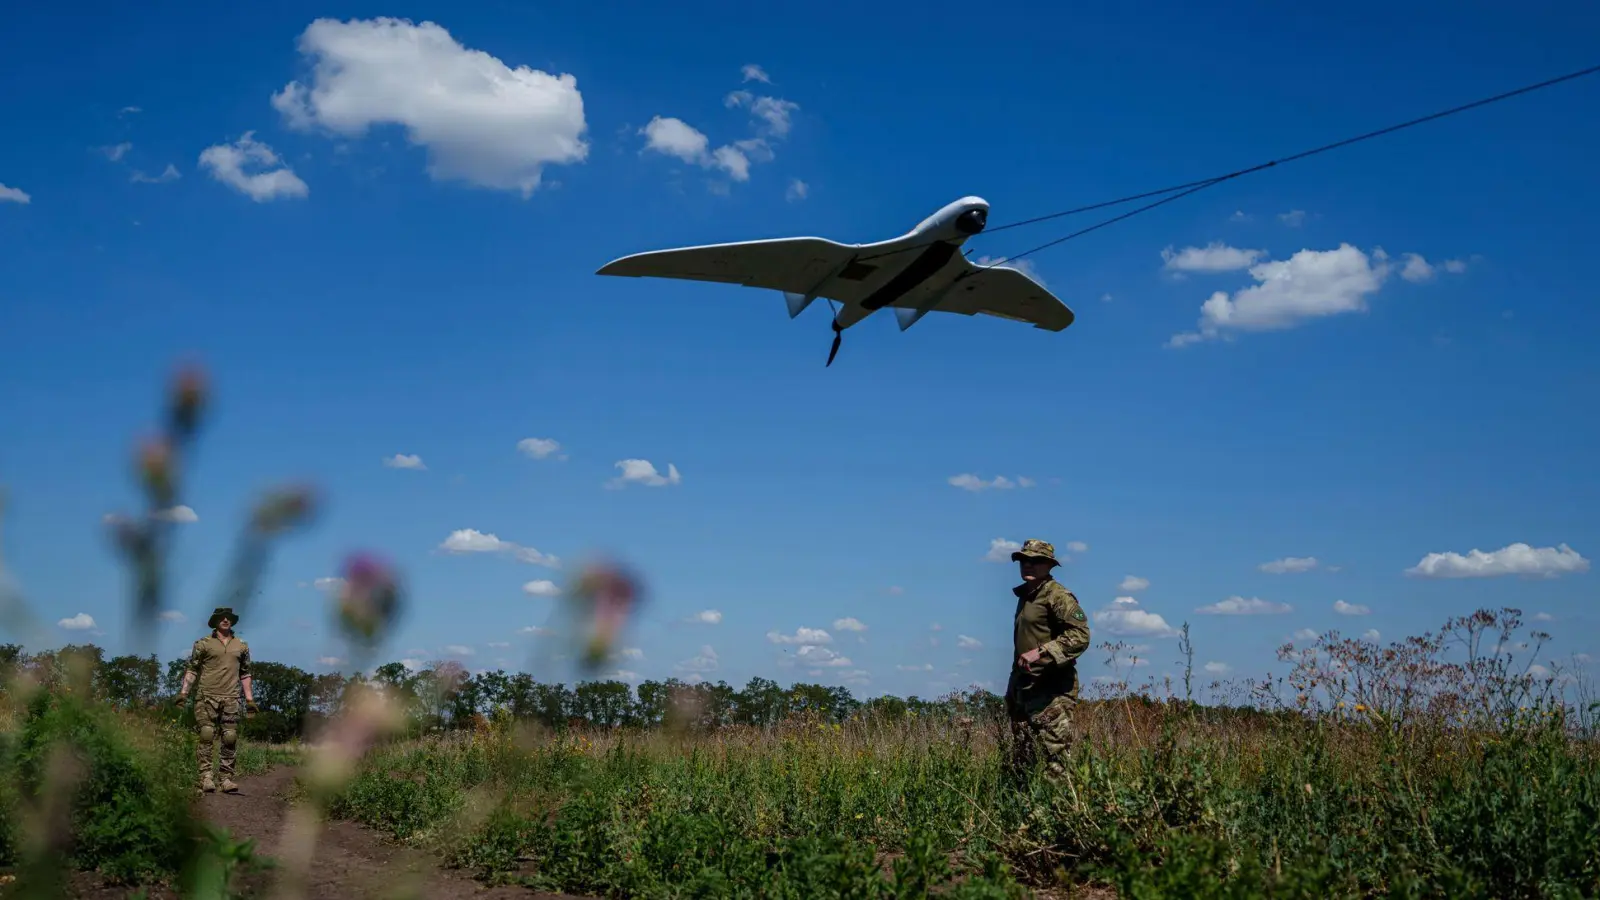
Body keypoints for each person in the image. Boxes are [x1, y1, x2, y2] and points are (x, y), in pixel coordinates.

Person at [1003, 539, 1090, 784]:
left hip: (1052, 689)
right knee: (1024, 755)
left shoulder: (1057, 595)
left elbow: (1080, 636)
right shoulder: (1027, 595)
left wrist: (1041, 652)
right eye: (1023, 560)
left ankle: (1062, 812)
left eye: (1036, 561)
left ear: (1049, 565)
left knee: (1058, 757)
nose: (1028, 565)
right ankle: (1023, 805)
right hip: (1025, 687)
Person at [174, 606, 258, 793]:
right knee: (206, 734)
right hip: (206, 696)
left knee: (229, 737)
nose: (225, 620)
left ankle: (226, 779)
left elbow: (245, 673)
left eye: (228, 617)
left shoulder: (241, 645)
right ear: (215, 621)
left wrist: (250, 700)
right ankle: (205, 777)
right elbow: (192, 669)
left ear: (232, 621)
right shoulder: (203, 644)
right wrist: (184, 693)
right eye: (222, 617)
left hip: (231, 697)